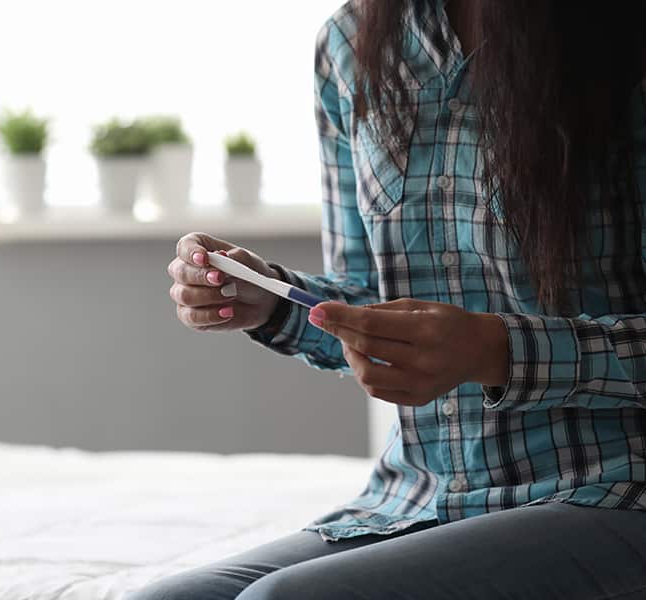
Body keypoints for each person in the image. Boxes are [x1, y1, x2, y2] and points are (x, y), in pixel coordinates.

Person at [130, 0, 646, 598]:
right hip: (419, 496)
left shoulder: (624, 35)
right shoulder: (351, 43)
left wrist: (497, 351)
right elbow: (367, 300)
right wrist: (270, 300)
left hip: (614, 488)